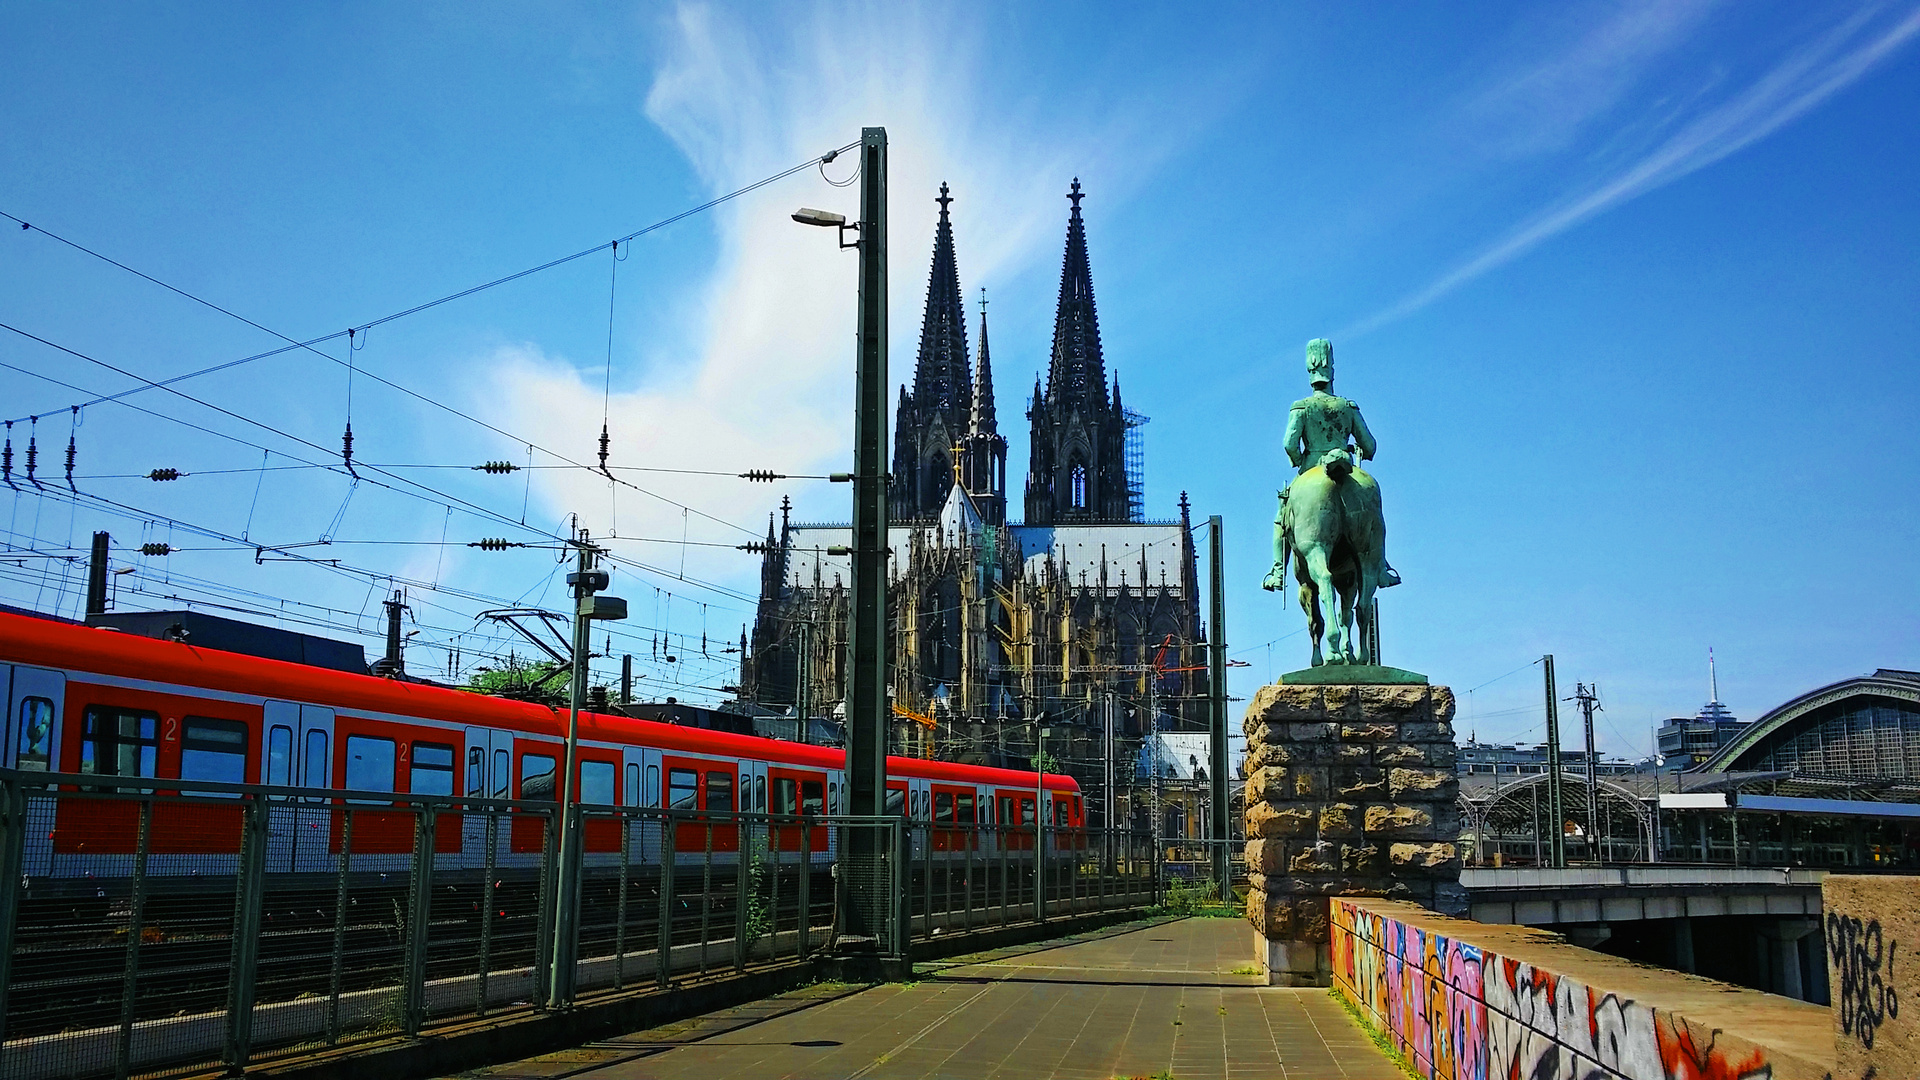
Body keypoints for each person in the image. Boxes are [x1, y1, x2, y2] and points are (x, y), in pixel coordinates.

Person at [1277, 338, 1399, 587]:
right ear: (1332, 370)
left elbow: (1289, 444)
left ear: (1309, 372)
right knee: (1376, 514)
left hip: (1310, 467)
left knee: (1282, 517)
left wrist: (1302, 462)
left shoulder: (1301, 407)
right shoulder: (1348, 406)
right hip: (1348, 466)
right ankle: (1382, 567)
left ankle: (1277, 570)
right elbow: (1370, 446)